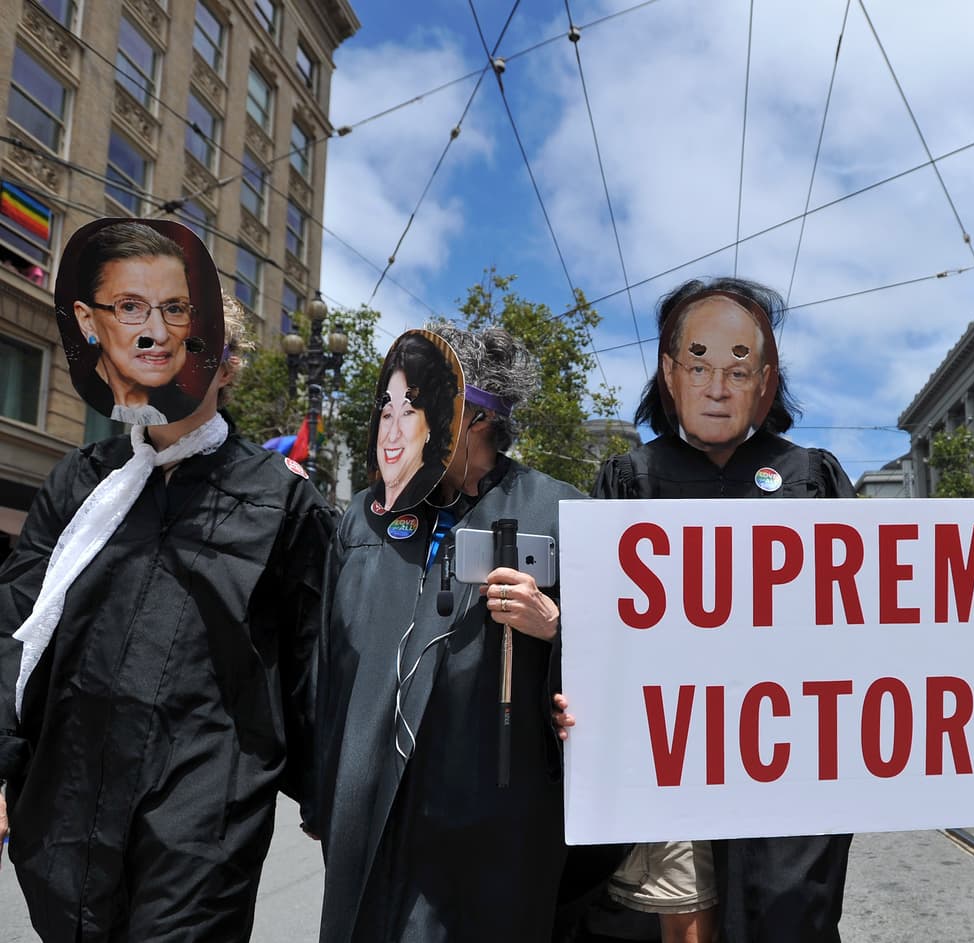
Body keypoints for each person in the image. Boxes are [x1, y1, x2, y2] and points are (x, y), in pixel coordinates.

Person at [0, 277, 334, 940]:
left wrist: (331, 800)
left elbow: (314, 665)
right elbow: (15, 621)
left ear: (226, 368)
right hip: (67, 804)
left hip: (202, 818)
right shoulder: (80, 481)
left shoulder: (283, 502)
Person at [572, 277, 854, 943]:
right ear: (670, 374)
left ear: (766, 380)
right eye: (698, 365)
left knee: (787, 909)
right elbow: (593, 622)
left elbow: (870, 618)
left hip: (790, 751)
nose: (718, 388)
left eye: (740, 368)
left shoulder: (810, 477)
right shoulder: (631, 480)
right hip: (672, 746)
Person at [316, 325, 585, 943]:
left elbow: (621, 660)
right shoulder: (366, 516)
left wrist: (555, 627)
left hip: (491, 813)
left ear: (478, 417)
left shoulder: (559, 512)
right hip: (373, 799)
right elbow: (327, 662)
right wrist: (321, 789)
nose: (398, 425)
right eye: (394, 406)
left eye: (422, 404)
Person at [68, 221, 216, 426]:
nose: (159, 334)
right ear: (87, 320)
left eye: (174, 309)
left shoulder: (198, 417)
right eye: (130, 307)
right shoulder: (72, 397)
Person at [369, 331, 463, 512]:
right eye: (387, 415)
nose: (393, 434)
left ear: (431, 424)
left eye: (408, 413)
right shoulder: (360, 509)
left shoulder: (447, 505)